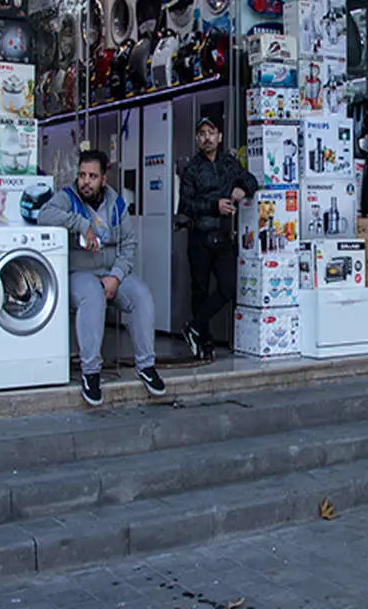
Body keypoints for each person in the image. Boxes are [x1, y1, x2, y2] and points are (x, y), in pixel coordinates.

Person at [38, 149, 165, 406]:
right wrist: (81, 224)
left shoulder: (116, 203)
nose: (86, 181)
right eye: (82, 175)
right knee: (93, 296)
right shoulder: (67, 197)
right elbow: (44, 215)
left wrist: (116, 277)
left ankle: (146, 365)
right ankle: (91, 372)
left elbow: (129, 243)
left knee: (141, 294)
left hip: (111, 272)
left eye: (92, 176)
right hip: (79, 274)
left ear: (103, 179)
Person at [178, 117, 259, 361]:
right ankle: (204, 341)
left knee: (229, 287)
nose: (207, 137)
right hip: (200, 236)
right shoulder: (191, 169)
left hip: (224, 237)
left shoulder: (229, 163)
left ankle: (194, 325)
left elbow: (252, 180)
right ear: (197, 139)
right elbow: (185, 205)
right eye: (202, 133)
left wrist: (243, 188)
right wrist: (215, 206)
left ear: (220, 137)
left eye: (211, 133)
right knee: (200, 290)